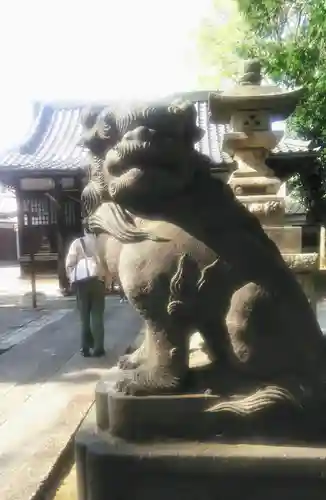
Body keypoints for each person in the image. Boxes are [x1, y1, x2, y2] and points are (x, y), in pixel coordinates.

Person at [65, 223, 106, 357]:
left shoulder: (77, 243)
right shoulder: (102, 244)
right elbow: (107, 265)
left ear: (84, 229)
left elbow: (69, 264)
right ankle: (99, 348)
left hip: (82, 284)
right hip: (98, 282)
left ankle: (85, 348)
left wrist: (72, 279)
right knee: (97, 316)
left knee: (84, 318)